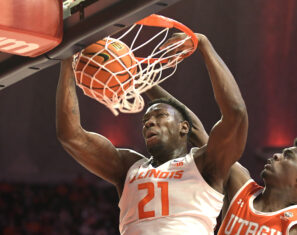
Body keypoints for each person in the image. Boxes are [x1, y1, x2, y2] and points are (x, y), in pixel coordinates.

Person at [56, 33, 248, 235]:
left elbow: (235, 113)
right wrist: (67, 61)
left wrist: (204, 45)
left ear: (183, 127)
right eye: (145, 121)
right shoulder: (128, 166)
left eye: (160, 115)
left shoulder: (204, 164)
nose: (149, 122)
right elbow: (71, 136)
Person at [216, 138, 297, 235]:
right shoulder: (239, 186)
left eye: (288, 156)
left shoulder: (295, 227)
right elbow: (208, 143)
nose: (276, 155)